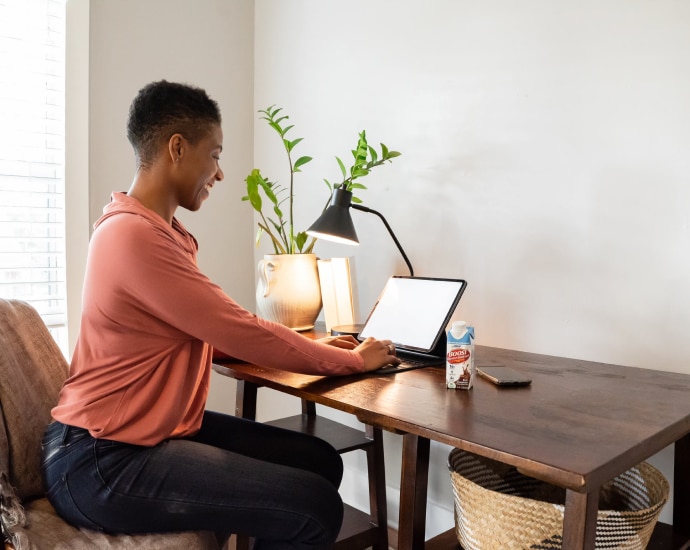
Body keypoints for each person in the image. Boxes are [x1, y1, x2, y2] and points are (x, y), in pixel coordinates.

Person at [41, 80, 399, 550]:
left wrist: (321, 348)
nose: (220, 173)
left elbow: (213, 332)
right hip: (100, 459)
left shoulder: (161, 233)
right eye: (214, 155)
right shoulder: (131, 237)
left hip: (141, 436)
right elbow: (238, 327)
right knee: (314, 506)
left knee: (321, 461)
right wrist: (353, 363)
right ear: (177, 148)